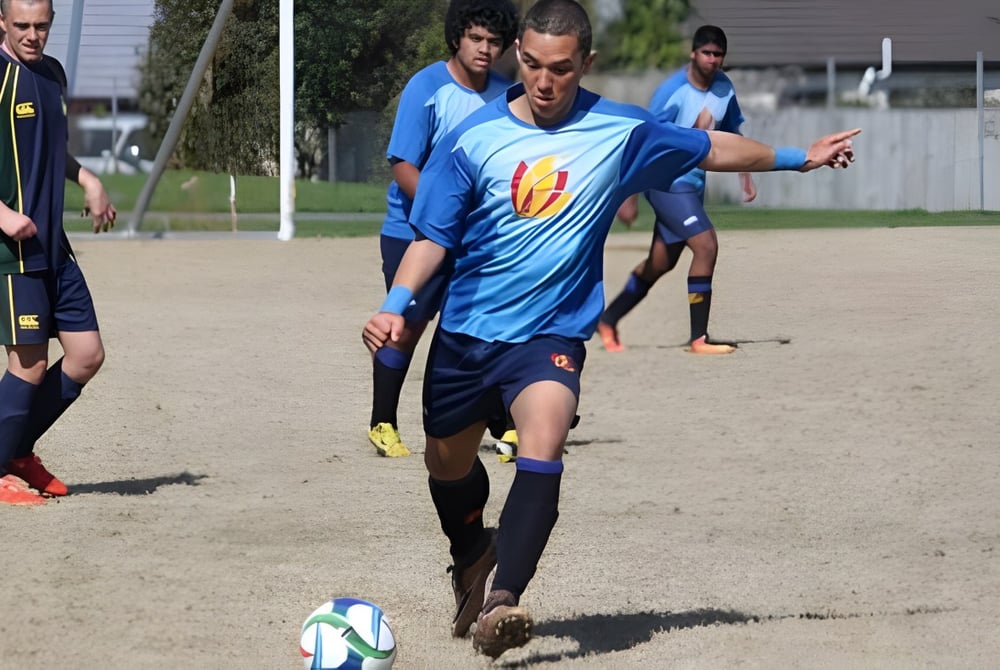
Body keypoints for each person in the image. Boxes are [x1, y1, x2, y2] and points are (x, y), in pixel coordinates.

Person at [363, 0, 858, 657]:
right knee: (447, 467)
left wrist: (800, 156)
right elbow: (432, 238)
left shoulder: (622, 131)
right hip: (466, 336)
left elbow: (711, 147)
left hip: (550, 338)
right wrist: (396, 301)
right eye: (532, 64)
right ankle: (470, 555)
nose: (543, 81)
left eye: (560, 69)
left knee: (544, 442)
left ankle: (501, 603)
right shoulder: (473, 138)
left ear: (586, 65)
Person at [368, 0, 519, 458]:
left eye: (494, 42)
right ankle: (383, 422)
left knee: (481, 327)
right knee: (406, 329)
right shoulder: (426, 86)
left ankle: (503, 423)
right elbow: (403, 166)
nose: (485, 49)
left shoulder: (507, 93)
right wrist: (445, 216)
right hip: (412, 232)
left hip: (476, 237)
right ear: (457, 37)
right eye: (476, 38)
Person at [0, 0, 113, 505]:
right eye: (21, 25)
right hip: (12, 250)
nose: (32, 35)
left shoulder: (53, 74)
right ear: (1, 21)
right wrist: (1, 214)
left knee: (86, 355)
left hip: (53, 245)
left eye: (41, 25)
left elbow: (50, 145)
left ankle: (16, 449)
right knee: (28, 364)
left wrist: (87, 177)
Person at [597, 25, 755, 355]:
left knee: (659, 264)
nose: (712, 60)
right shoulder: (673, 92)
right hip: (667, 184)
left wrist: (746, 175)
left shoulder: (725, 89)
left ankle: (608, 319)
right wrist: (629, 194)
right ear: (693, 53)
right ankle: (699, 338)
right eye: (707, 53)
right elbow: (643, 141)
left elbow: (733, 134)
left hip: (692, 188)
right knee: (706, 245)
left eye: (718, 55)